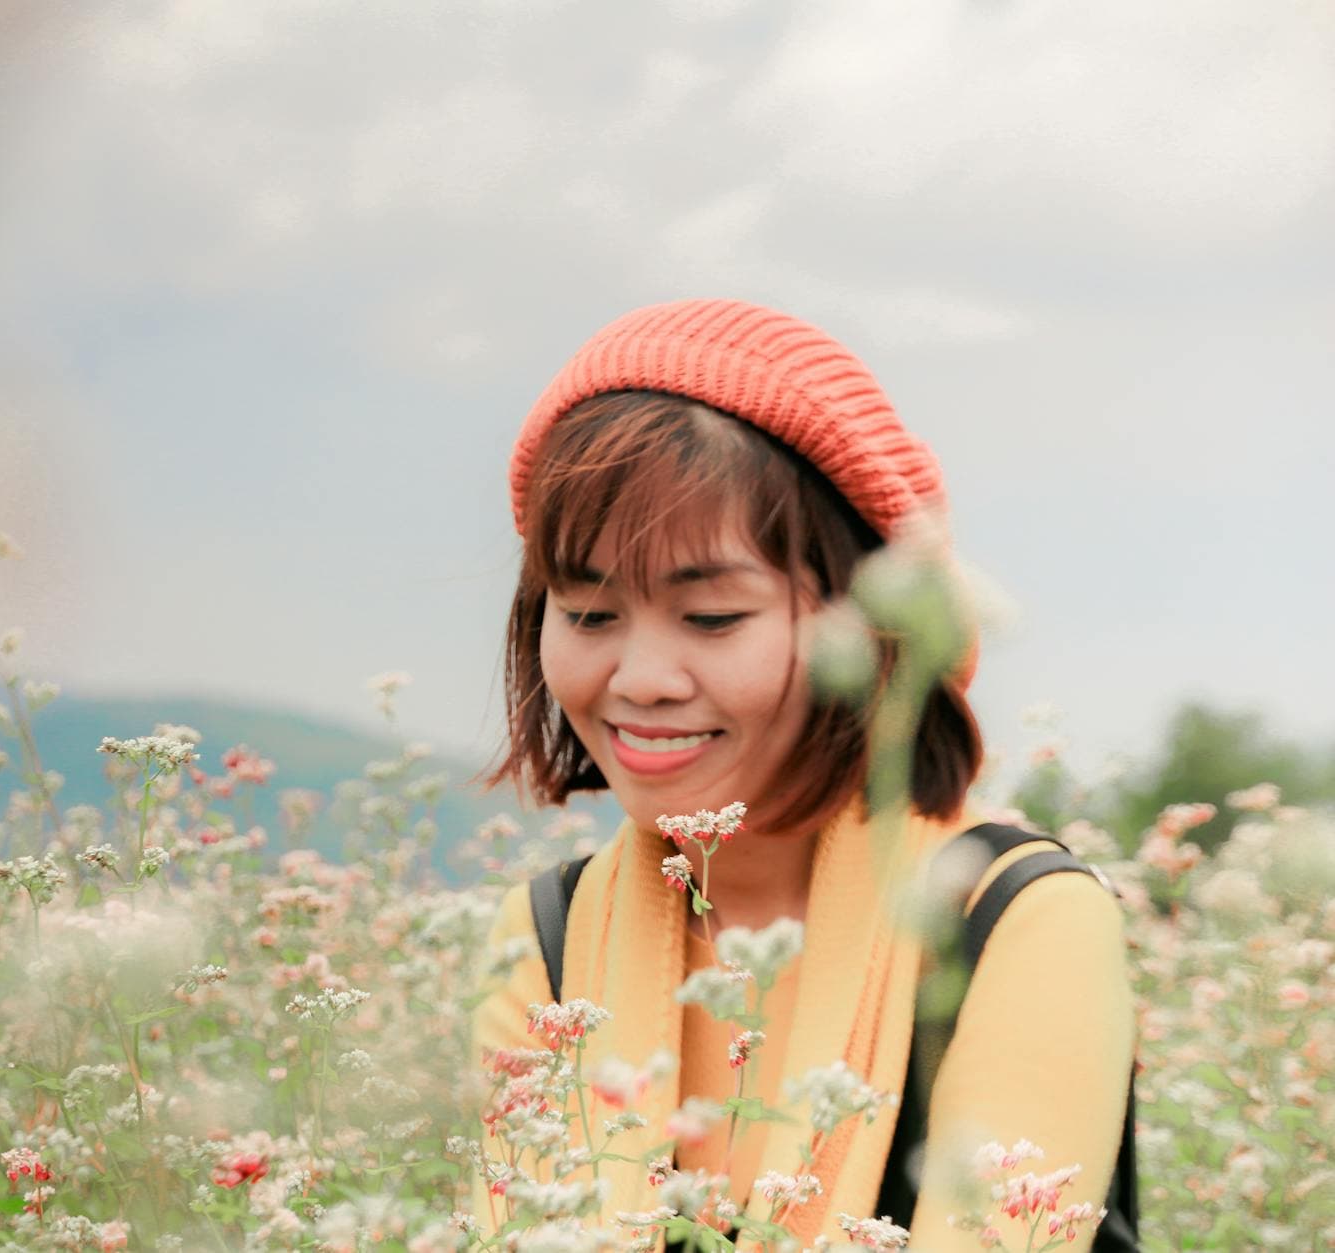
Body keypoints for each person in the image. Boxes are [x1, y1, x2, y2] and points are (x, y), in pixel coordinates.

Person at [469, 299, 1133, 1249]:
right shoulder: (547, 938)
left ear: (867, 626)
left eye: (712, 619)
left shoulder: (1017, 921)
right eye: (586, 613)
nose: (642, 681)